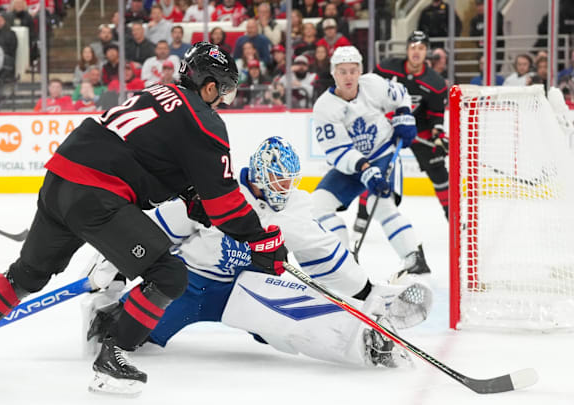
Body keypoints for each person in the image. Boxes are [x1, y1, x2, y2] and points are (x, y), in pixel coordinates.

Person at [0, 42, 288, 396]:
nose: (222, 100)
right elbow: (224, 202)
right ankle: (112, 360)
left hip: (60, 179)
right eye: (223, 91)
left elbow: (147, 154)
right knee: (168, 275)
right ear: (209, 85)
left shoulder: (158, 92)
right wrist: (261, 239)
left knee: (29, 272)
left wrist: (188, 194)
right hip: (97, 194)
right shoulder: (203, 119)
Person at [83, 137, 432, 368]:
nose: (285, 189)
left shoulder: (293, 207)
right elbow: (157, 229)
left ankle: (368, 340)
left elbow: (323, 253)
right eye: (278, 180)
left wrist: (367, 292)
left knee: (294, 315)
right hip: (186, 284)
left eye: (289, 181)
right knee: (121, 335)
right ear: (260, 174)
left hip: (249, 287)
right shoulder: (217, 191)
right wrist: (116, 264)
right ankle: (109, 311)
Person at [311, 46, 431, 281]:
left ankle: (413, 258)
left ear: (360, 71)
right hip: (351, 165)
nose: (348, 77)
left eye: (353, 71)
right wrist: (365, 170)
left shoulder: (373, 84)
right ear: (333, 73)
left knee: (382, 204)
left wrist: (405, 116)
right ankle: (343, 260)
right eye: (343, 71)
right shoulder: (324, 107)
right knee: (317, 206)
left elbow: (401, 95)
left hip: (383, 152)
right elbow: (338, 151)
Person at [371, 31, 449, 220]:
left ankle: (453, 216)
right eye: (413, 47)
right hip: (387, 126)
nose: (416, 52)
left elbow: (436, 114)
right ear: (407, 50)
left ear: (426, 52)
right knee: (373, 168)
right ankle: (362, 217)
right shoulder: (386, 69)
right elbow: (370, 92)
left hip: (418, 130)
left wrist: (438, 136)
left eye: (421, 48)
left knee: (438, 169)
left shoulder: (436, 83)